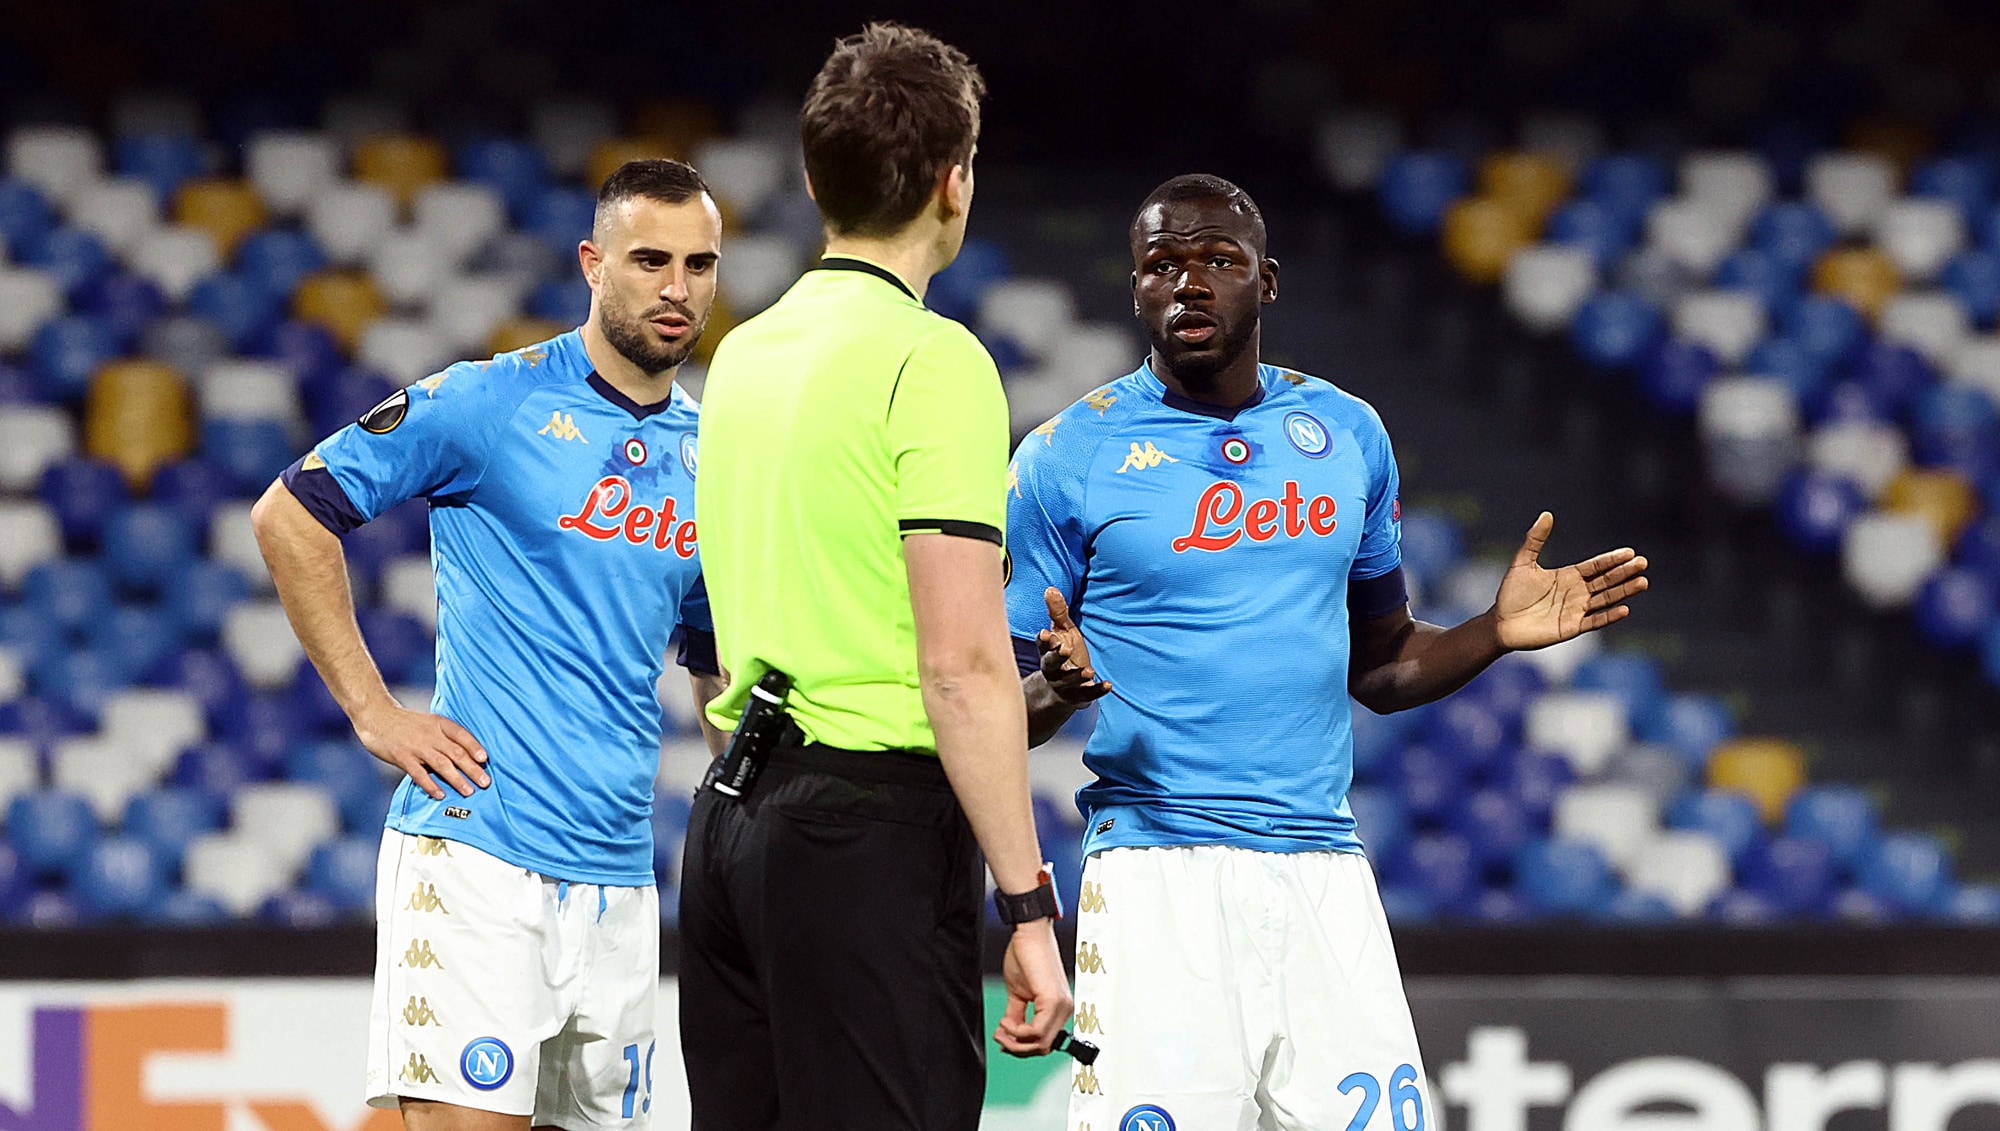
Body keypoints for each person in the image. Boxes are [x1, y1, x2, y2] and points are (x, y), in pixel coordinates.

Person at [1006, 174, 1651, 1129]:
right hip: (1154, 872)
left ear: (1266, 281)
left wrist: (1493, 631)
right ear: (1135, 288)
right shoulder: (1065, 457)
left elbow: (1381, 663)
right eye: (1161, 265)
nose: (1189, 283)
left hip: (1323, 865)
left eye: (1218, 260)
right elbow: (1001, 710)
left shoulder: (1347, 433)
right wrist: (1057, 690)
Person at [251, 158, 727, 1131]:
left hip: (622, 879)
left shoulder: (714, 453)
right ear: (592, 263)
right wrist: (374, 712)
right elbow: (289, 516)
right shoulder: (490, 401)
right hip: (481, 856)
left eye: (699, 264)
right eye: (649, 260)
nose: (677, 287)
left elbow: (713, 658)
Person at [683, 21, 1074, 1130]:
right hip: (866, 837)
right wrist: (1027, 908)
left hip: (730, 825)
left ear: (815, 180)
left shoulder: (742, 353)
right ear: (955, 182)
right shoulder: (934, 362)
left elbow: (715, 619)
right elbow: (959, 666)